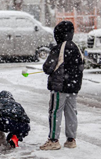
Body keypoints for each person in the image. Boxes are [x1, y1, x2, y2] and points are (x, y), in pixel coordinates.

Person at [40, 21, 84, 150]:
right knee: (71, 113)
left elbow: (48, 67)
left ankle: (53, 140)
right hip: (74, 87)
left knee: (55, 113)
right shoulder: (76, 47)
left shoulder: (58, 48)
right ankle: (71, 140)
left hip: (60, 87)